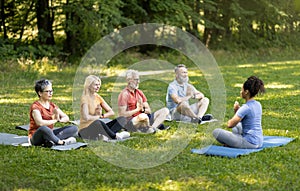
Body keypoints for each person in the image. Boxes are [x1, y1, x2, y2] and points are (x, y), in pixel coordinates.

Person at [213, 76, 265, 149]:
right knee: (236, 128)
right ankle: (234, 141)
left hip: (249, 143)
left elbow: (230, 124)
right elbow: (249, 119)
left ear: (246, 92)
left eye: (242, 89)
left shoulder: (245, 107)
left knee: (216, 132)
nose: (241, 92)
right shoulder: (258, 104)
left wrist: (237, 113)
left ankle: (233, 143)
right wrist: (237, 112)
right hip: (259, 141)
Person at [79, 75, 130, 141]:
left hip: (98, 128)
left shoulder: (97, 97)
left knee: (122, 119)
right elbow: (86, 117)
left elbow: (111, 112)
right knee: (98, 123)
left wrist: (102, 116)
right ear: (89, 85)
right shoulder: (85, 98)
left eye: (99, 85)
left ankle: (104, 135)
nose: (98, 87)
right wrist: (98, 117)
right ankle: (115, 136)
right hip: (85, 131)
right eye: (96, 85)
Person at [29, 79, 78, 147]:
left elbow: (66, 117)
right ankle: (61, 142)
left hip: (49, 133)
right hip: (36, 137)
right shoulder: (35, 106)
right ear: (40, 93)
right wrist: (54, 120)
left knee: (74, 128)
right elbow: (40, 123)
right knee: (44, 128)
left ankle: (50, 141)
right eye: (48, 91)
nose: (51, 93)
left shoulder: (52, 105)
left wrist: (60, 120)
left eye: (51, 91)